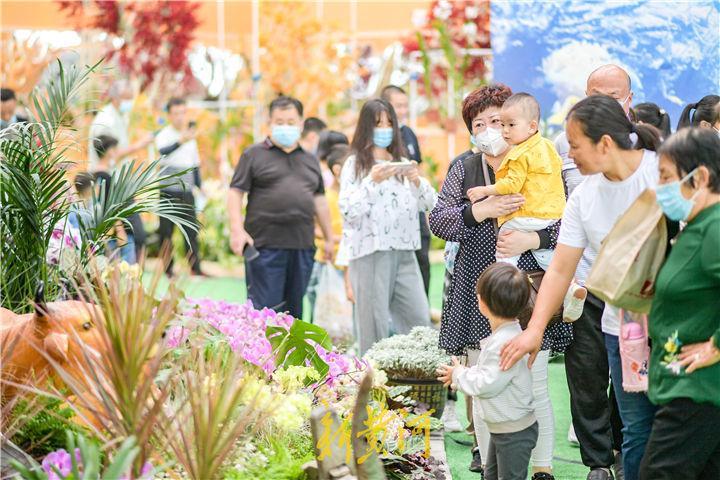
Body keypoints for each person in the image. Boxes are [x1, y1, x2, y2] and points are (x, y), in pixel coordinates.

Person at [501, 95, 663, 480]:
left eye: (574, 145)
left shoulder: (663, 174)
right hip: (623, 328)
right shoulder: (584, 197)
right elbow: (559, 269)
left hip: (675, 322)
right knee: (636, 425)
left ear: (604, 143)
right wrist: (535, 331)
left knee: (677, 423)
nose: (568, 155)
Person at [430, 84, 572, 480]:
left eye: (500, 120)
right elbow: (439, 221)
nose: (493, 129)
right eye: (482, 123)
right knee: (482, 375)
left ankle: (542, 468)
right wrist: (480, 210)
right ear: (471, 130)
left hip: (529, 291)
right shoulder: (465, 167)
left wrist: (535, 238)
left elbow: (567, 222)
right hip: (481, 294)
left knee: (536, 382)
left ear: (519, 124)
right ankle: (491, 463)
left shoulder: (540, 160)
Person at [553, 64, 631, 469]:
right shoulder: (565, 151)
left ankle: (622, 449)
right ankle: (598, 463)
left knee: (628, 380)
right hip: (583, 286)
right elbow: (556, 221)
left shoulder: (648, 157)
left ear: (628, 100)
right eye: (594, 93)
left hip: (635, 292)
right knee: (585, 375)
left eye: (612, 94)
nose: (602, 100)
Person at [639, 128, 720, 479]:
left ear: (699, 177)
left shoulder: (715, 227)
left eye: (666, 177)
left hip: (698, 391)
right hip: (686, 386)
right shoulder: (697, 223)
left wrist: (716, 346)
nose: (660, 187)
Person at [338, 98, 436, 355]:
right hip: (370, 253)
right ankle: (372, 390)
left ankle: (421, 389)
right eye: (378, 124)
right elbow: (348, 210)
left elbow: (430, 203)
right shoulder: (355, 165)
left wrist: (417, 181)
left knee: (419, 322)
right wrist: (372, 181)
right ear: (366, 127)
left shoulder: (402, 161)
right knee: (373, 329)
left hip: (405, 252)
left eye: (389, 123)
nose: (384, 129)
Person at [228, 96, 334, 319]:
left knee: (294, 314)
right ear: (270, 122)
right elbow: (235, 192)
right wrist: (237, 231)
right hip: (264, 247)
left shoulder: (310, 160)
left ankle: (289, 354)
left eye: (291, 121)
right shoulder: (253, 155)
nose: (285, 127)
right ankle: (263, 355)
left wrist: (329, 238)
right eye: (280, 121)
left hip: (302, 246)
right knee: (265, 315)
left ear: (301, 123)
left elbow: (320, 202)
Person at [437, 263, 538, 480]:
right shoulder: (507, 336)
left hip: (513, 432)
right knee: (491, 474)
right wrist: (460, 376)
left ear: (482, 303)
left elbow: (486, 384)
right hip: (503, 427)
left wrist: (459, 374)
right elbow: (489, 376)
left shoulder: (505, 343)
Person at [89, 79, 154, 258]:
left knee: (135, 235)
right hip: (108, 180)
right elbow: (110, 153)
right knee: (129, 234)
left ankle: (128, 275)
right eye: (127, 98)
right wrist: (138, 145)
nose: (130, 103)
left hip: (119, 180)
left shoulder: (119, 115)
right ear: (115, 97)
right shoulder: (106, 119)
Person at [381, 85, 432, 296]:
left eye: (404, 106)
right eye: (397, 106)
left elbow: (417, 169)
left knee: (422, 262)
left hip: (414, 211)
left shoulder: (408, 133)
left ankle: (422, 318)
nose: (401, 111)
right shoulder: (379, 138)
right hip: (389, 215)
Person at [154, 97, 203, 276]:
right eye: (176, 113)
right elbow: (162, 151)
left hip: (187, 191)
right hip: (167, 191)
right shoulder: (164, 135)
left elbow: (195, 164)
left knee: (191, 230)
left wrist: (200, 185)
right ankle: (168, 270)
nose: (180, 117)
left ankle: (195, 269)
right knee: (166, 232)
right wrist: (180, 141)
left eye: (183, 113)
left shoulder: (191, 137)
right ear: (169, 115)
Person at [91, 135, 136, 264]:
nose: (117, 152)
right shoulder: (105, 177)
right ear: (110, 151)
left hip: (105, 230)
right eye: (115, 149)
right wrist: (120, 230)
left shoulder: (95, 174)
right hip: (114, 231)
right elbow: (109, 206)